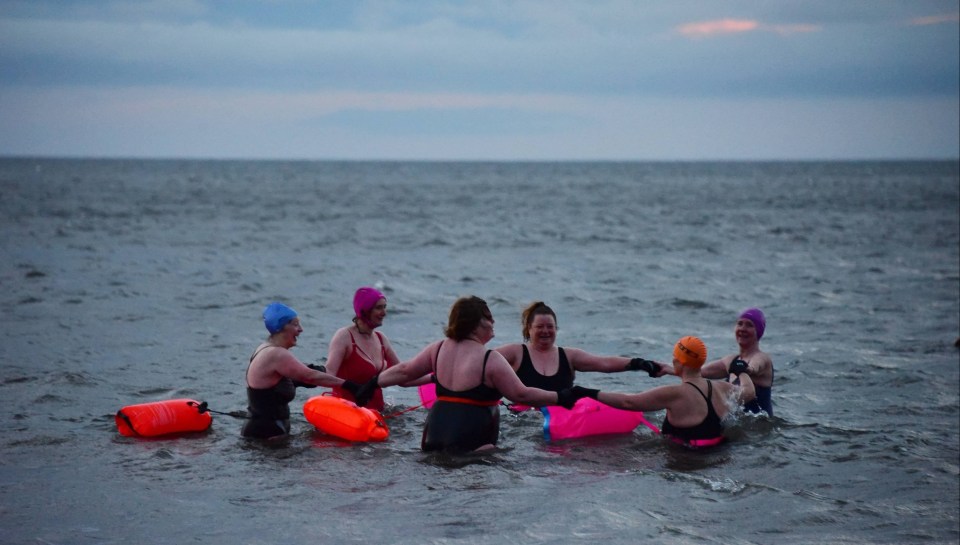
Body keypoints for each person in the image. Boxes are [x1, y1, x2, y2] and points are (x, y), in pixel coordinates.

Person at [354, 296, 592, 453]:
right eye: (488, 317)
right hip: (472, 442)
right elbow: (522, 394)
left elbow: (404, 371)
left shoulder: (437, 348)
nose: (493, 322)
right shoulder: (490, 358)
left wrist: (373, 383)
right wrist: (563, 397)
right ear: (476, 323)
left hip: (432, 435)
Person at [583, 336, 756, 446]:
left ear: (678, 362)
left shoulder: (674, 394)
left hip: (686, 459)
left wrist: (588, 392)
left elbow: (628, 402)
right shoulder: (721, 387)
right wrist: (741, 371)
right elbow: (749, 392)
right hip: (719, 454)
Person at [494, 301, 669, 399]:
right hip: (522, 419)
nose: (545, 331)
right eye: (540, 326)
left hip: (560, 417)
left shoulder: (569, 356)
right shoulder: (515, 352)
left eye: (550, 326)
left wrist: (638, 363)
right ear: (528, 329)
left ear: (557, 329)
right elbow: (483, 360)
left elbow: (604, 363)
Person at [242, 302, 363, 440]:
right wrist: (349, 385)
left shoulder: (264, 348)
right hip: (267, 435)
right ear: (280, 327)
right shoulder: (276, 354)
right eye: (295, 324)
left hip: (262, 431)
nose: (301, 329)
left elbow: (296, 373)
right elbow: (310, 376)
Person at [324, 287, 404, 412]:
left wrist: (434, 378)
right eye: (379, 308)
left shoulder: (381, 338)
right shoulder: (344, 336)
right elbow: (328, 375)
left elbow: (403, 375)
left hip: (377, 415)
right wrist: (349, 386)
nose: (384, 313)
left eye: (384, 307)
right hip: (346, 414)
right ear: (365, 310)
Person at [700, 307, 774, 415]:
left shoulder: (762, 358)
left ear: (758, 331)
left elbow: (756, 366)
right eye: (740, 324)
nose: (743, 328)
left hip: (758, 428)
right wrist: (670, 369)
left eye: (749, 325)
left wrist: (748, 369)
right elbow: (698, 372)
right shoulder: (731, 360)